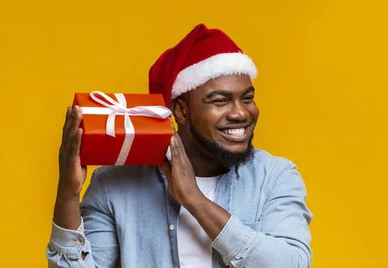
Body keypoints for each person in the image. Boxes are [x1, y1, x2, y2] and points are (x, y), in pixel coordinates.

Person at [46, 23, 313, 268]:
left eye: (247, 98)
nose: (241, 113)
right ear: (181, 111)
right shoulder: (115, 184)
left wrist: (195, 200)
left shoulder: (275, 177)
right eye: (220, 101)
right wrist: (67, 196)